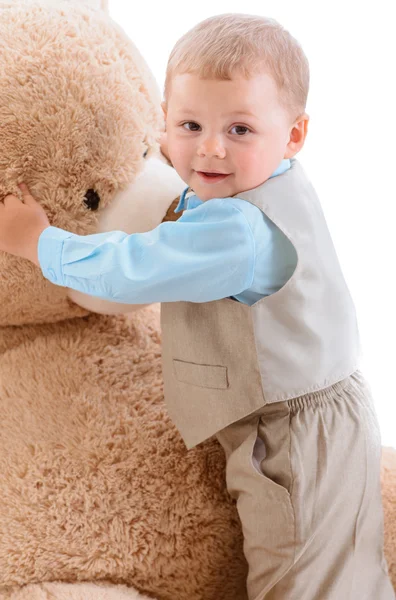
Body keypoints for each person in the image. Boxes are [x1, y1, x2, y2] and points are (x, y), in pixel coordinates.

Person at [0, 13, 393, 600]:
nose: (210, 148)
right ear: (162, 124)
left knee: (303, 579)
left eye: (239, 129)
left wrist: (36, 240)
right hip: (300, 414)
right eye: (190, 124)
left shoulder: (239, 231)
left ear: (293, 135)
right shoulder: (246, 188)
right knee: (337, 569)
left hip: (295, 431)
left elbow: (130, 269)